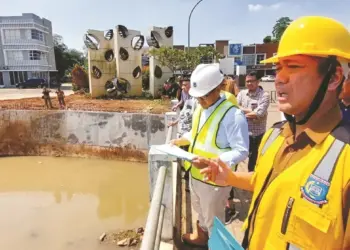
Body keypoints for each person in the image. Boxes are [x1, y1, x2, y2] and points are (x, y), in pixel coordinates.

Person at [194, 16, 350, 250]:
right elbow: (265, 181)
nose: (279, 78)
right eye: (278, 68)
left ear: (334, 77)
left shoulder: (344, 159)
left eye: (294, 67)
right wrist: (231, 178)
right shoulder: (275, 136)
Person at [170, 63, 249, 247]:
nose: (201, 101)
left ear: (218, 88)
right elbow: (196, 134)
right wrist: (179, 141)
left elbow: (242, 150)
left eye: (204, 96)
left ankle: (217, 245)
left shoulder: (233, 115)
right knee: (200, 210)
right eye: (197, 97)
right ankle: (202, 238)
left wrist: (215, 162)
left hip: (214, 179)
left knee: (214, 221)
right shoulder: (201, 109)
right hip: (195, 174)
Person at [237, 71, 270, 172]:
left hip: (256, 135)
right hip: (242, 133)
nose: (249, 84)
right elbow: (234, 107)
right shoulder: (242, 93)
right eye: (247, 81)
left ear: (258, 82)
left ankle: (251, 183)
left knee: (253, 162)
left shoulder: (264, 95)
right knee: (238, 157)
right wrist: (251, 112)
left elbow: (259, 114)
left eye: (252, 81)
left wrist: (241, 111)